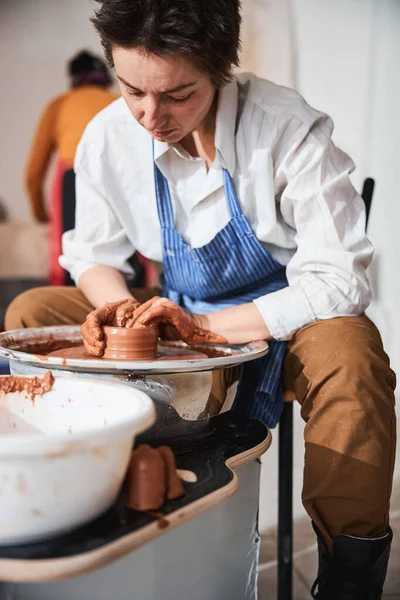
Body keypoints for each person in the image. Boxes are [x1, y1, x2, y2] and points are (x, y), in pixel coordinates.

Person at [6, 1, 396, 597]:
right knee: (34, 313)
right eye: (133, 88)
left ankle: (350, 574)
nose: (150, 116)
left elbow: (339, 280)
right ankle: (69, 498)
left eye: (177, 95)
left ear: (219, 69)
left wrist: (202, 329)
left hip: (289, 315)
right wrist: (121, 311)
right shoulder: (110, 135)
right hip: (174, 309)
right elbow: (91, 254)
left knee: (352, 349)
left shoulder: (286, 128)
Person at [25, 50, 118, 285]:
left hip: (73, 177)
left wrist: (40, 216)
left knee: (73, 252)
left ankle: (71, 307)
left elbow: (34, 173)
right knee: (120, 248)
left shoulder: (59, 104)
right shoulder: (118, 102)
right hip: (115, 175)